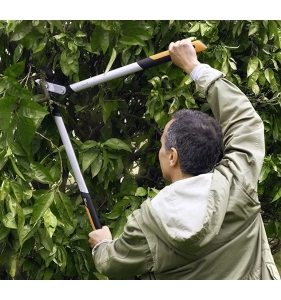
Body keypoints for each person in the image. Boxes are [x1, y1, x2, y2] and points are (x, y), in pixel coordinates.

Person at [88, 38, 280, 280]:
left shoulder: (147, 224)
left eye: (161, 145)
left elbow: (112, 263)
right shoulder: (237, 182)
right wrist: (193, 65)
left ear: (172, 156)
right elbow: (245, 121)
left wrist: (102, 244)